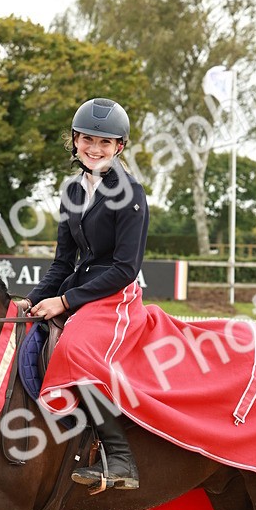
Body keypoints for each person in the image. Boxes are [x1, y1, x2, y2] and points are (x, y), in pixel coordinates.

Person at [26, 97, 148, 490]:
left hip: (116, 295)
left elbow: (125, 268)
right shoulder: (72, 191)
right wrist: (33, 298)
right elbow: (63, 262)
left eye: (105, 143)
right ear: (75, 140)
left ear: (119, 148)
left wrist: (64, 302)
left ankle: (120, 457)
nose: (95, 149)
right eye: (88, 140)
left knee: (76, 348)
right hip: (79, 289)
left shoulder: (131, 193)